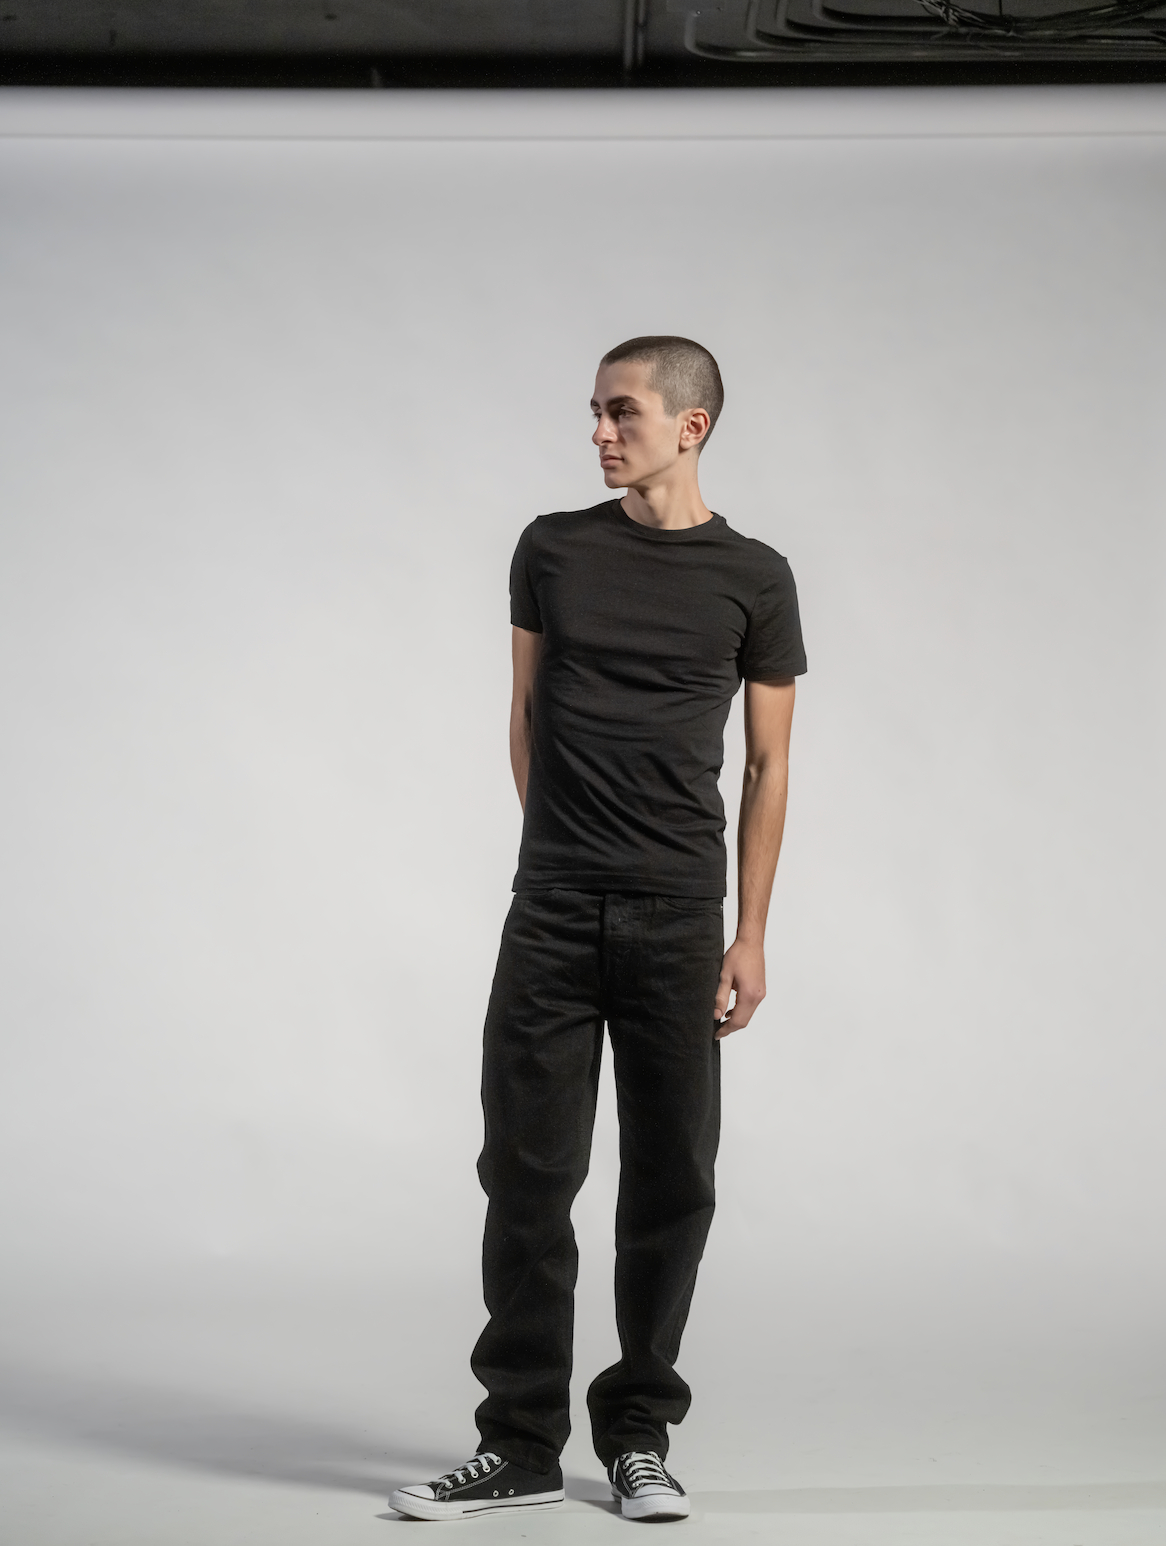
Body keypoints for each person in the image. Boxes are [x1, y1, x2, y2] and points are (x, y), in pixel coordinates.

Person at [391, 337, 806, 1523]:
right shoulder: (552, 549)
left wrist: (749, 933)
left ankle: (636, 1435)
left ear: (690, 426)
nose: (599, 432)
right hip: (554, 913)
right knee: (526, 1174)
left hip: (679, 917)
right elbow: (523, 710)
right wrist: (561, 854)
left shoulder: (755, 577)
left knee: (672, 1181)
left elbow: (768, 765)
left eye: (621, 412)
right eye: (594, 411)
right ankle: (519, 1444)